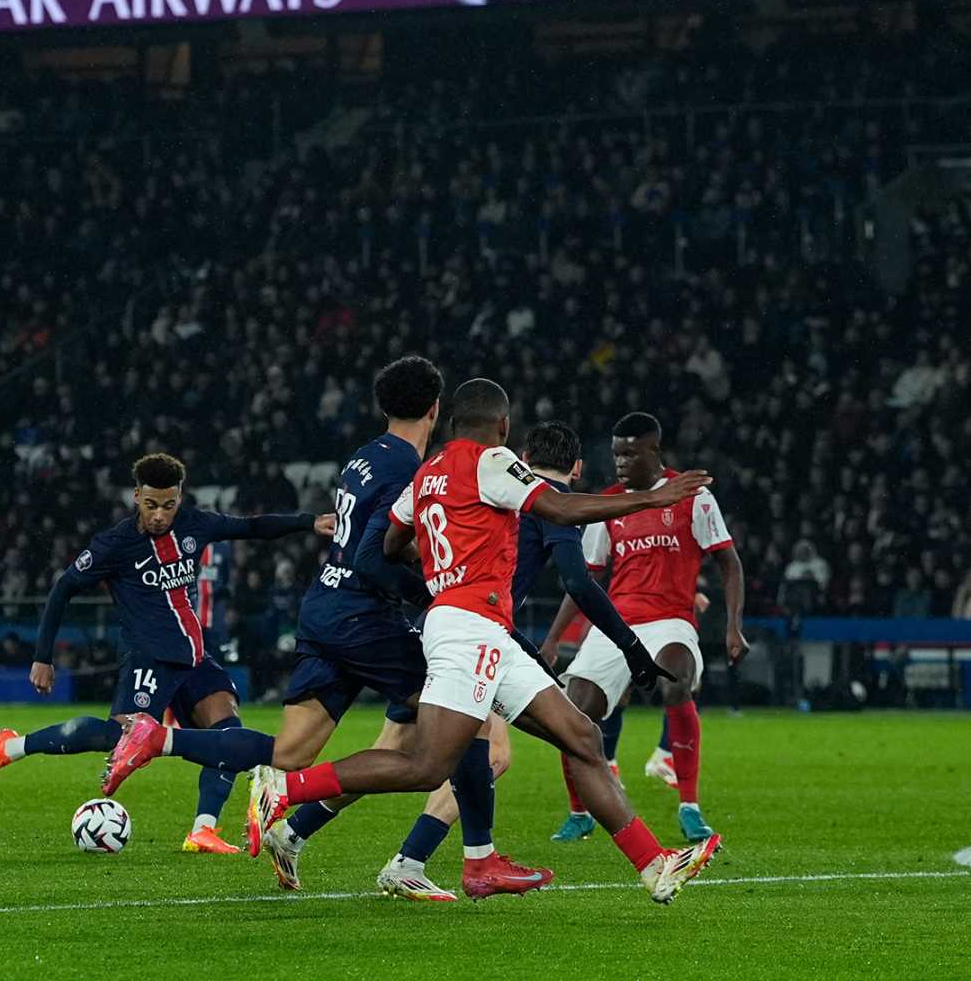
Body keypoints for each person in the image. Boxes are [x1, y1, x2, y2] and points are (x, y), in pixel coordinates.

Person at [242, 379, 720, 905]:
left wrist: (440, 568)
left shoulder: (425, 476)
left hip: (480, 626)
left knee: (581, 736)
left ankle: (655, 864)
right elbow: (557, 510)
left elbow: (389, 541)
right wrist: (652, 499)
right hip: (468, 631)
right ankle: (284, 789)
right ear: (503, 425)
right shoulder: (493, 461)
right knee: (427, 765)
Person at [104, 357, 545, 901]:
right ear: (435, 410)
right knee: (474, 727)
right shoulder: (408, 468)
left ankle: (163, 739)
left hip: (325, 608)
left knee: (293, 750)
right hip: (364, 619)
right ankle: (479, 860)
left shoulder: (363, 458)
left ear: (384, 407)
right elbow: (371, 558)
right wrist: (435, 592)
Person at [0, 451, 336, 855]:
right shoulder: (114, 545)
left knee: (227, 734)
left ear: (180, 498)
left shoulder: (194, 525)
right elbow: (62, 589)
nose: (159, 515)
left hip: (194, 658)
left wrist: (307, 522)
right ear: (137, 496)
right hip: (149, 660)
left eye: (169, 505)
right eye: (151, 504)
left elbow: (252, 527)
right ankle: (11, 746)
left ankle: (202, 830)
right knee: (115, 737)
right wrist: (42, 656)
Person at [540, 412, 748, 844]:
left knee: (675, 683)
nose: (620, 462)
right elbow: (587, 577)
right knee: (574, 711)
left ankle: (689, 806)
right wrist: (554, 637)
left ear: (654, 451)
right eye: (616, 454)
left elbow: (729, 562)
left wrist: (733, 626)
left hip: (670, 621)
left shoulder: (691, 495)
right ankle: (580, 813)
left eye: (630, 453)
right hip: (615, 624)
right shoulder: (608, 504)